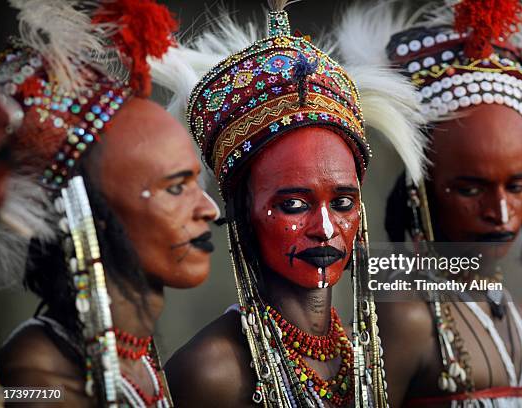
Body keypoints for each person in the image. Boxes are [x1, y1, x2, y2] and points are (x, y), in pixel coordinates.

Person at [149, 1, 425, 406]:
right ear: (243, 210)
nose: (326, 228)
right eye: (295, 205)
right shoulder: (213, 372)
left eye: (343, 202)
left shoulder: (362, 356)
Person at [334, 0, 522, 406]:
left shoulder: (512, 306)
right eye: (469, 189)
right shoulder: (406, 317)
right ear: (419, 190)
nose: (499, 213)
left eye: (517, 187)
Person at [0, 1, 218, 406]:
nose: (210, 210)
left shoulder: (138, 359)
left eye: (195, 182)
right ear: (94, 216)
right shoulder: (35, 382)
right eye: (175, 188)